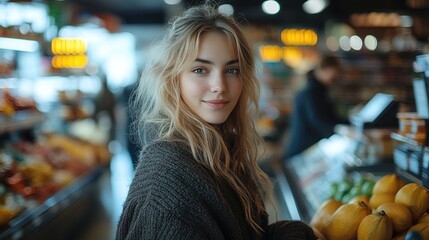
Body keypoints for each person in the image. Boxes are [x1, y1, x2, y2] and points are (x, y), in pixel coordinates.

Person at [116, 3, 321, 240]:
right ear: (173, 78)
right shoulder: (165, 188)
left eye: (232, 70)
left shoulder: (219, 154)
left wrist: (302, 234)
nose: (220, 87)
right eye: (201, 70)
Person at [283, 55, 346, 160]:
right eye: (334, 74)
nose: (336, 77)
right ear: (323, 70)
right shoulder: (311, 92)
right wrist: (341, 131)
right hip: (302, 151)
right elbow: (317, 120)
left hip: (307, 149)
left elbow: (329, 117)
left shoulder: (319, 90)